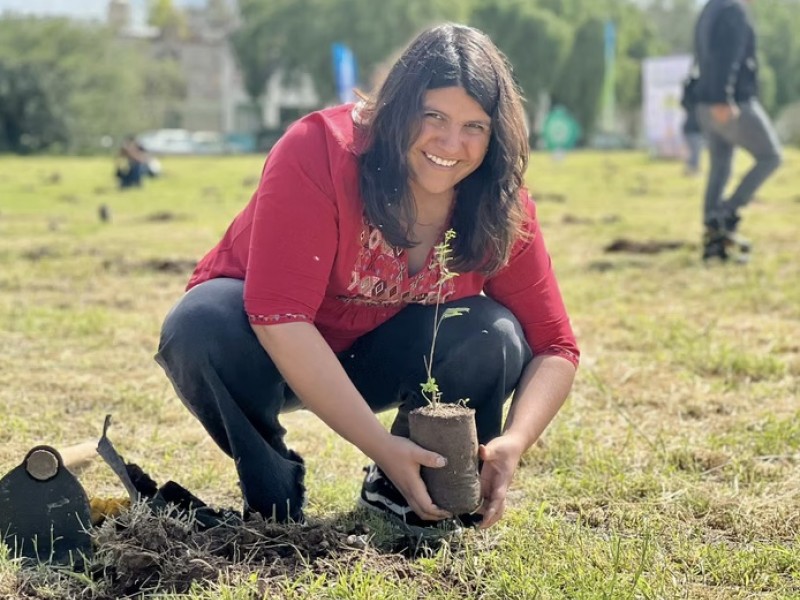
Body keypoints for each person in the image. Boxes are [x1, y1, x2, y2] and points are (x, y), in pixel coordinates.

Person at [154, 23, 579, 536]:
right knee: (197, 324)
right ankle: (273, 497)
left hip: (376, 358)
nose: (451, 143)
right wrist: (379, 445)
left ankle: (410, 489)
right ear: (398, 109)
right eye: (433, 116)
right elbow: (279, 317)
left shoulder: (498, 202)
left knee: (494, 332)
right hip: (265, 351)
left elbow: (556, 346)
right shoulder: (319, 150)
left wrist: (514, 442)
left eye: (475, 126)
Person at [691, 0, 782, 261]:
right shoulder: (733, 11)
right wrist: (724, 97)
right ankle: (725, 215)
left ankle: (714, 238)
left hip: (703, 102)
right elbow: (727, 56)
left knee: (720, 167)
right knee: (771, 157)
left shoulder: (711, 8)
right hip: (730, 103)